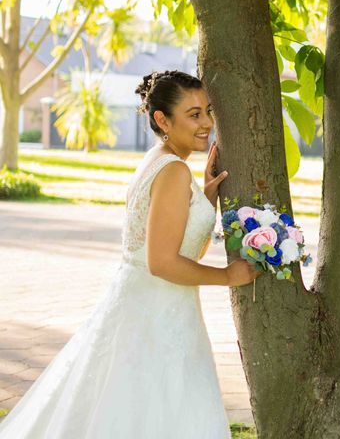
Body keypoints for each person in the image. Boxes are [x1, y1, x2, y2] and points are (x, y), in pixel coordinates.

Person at [0, 70, 258, 439]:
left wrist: (205, 200)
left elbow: (180, 249)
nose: (207, 124)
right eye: (194, 114)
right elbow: (162, 262)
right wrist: (227, 276)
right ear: (162, 120)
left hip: (152, 304)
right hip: (154, 312)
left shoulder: (158, 161)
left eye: (207, 111)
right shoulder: (172, 171)